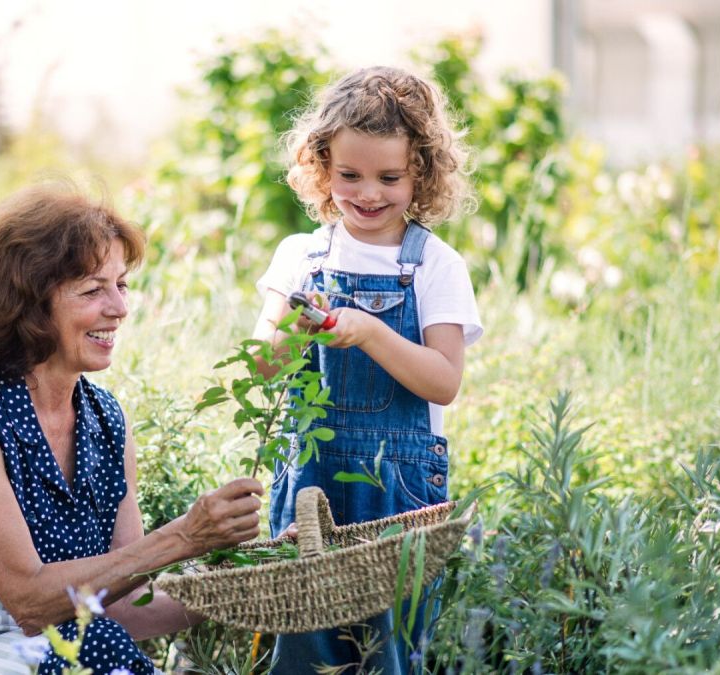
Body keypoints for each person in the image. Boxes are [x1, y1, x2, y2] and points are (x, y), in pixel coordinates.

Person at [0, 185, 264, 674]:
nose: (119, 308)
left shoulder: (105, 419)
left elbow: (125, 604)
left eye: (121, 285)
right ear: (30, 303)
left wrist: (244, 585)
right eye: (93, 290)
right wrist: (186, 536)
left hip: (48, 650)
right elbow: (28, 601)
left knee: (93, 641)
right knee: (92, 646)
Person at [251, 66, 483, 673]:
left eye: (389, 178)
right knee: (301, 644)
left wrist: (373, 332)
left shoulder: (434, 264)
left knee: (387, 650)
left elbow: (444, 381)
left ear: (421, 173)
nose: (367, 193)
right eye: (349, 175)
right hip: (311, 481)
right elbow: (260, 367)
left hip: (397, 489)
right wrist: (294, 328)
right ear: (322, 166)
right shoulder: (302, 255)